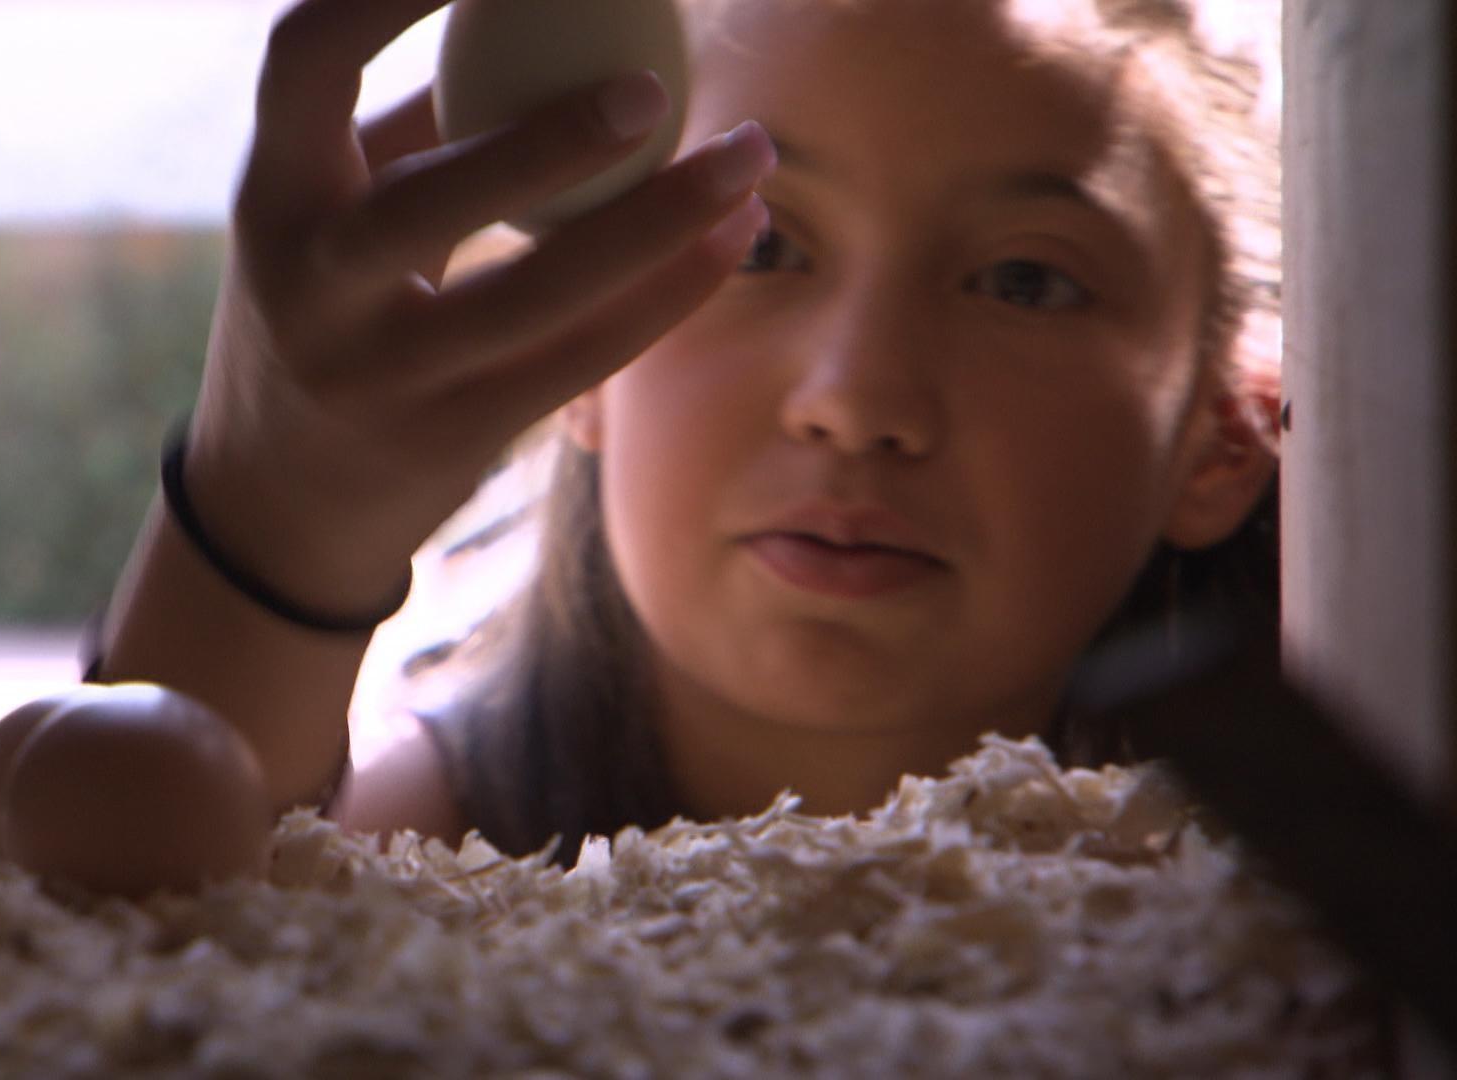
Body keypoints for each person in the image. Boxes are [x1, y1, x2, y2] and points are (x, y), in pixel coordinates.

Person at [82, 0, 1283, 865]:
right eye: (761, 245)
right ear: (583, 338)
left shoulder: (1284, 899)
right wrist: (270, 522)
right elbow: (97, 947)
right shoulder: (426, 846)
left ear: (1226, 434)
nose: (856, 398)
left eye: (1023, 282)